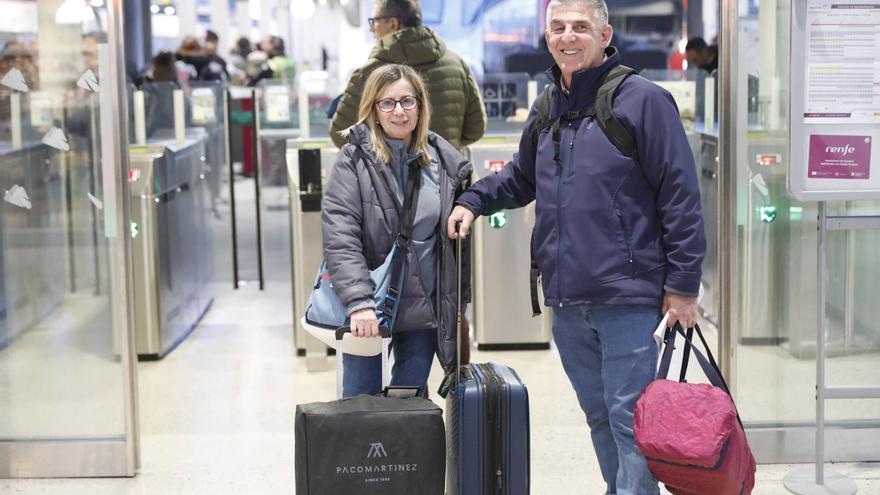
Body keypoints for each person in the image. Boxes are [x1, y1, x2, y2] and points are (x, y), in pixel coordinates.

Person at [447, 0, 706, 494]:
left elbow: (680, 196)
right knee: (599, 416)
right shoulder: (548, 107)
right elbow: (521, 178)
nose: (569, 36)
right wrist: (473, 200)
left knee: (631, 421)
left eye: (581, 27)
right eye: (559, 27)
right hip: (567, 299)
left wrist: (683, 287)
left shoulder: (643, 100)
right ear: (547, 37)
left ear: (605, 35)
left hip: (628, 297)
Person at [322, 64, 472, 397]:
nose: (399, 111)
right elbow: (341, 237)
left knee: (409, 408)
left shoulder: (443, 162)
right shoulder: (354, 160)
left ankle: (408, 454)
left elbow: (452, 246)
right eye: (387, 103)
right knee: (361, 405)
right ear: (373, 110)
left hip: (423, 310)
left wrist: (458, 307)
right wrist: (359, 302)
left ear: (421, 106)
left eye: (408, 101)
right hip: (369, 309)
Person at [329, 0, 486, 153]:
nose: (372, 30)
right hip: (448, 176)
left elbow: (341, 136)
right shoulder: (456, 64)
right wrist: (445, 149)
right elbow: (475, 128)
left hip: (389, 178)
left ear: (393, 24)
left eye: (374, 22)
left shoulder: (368, 74)